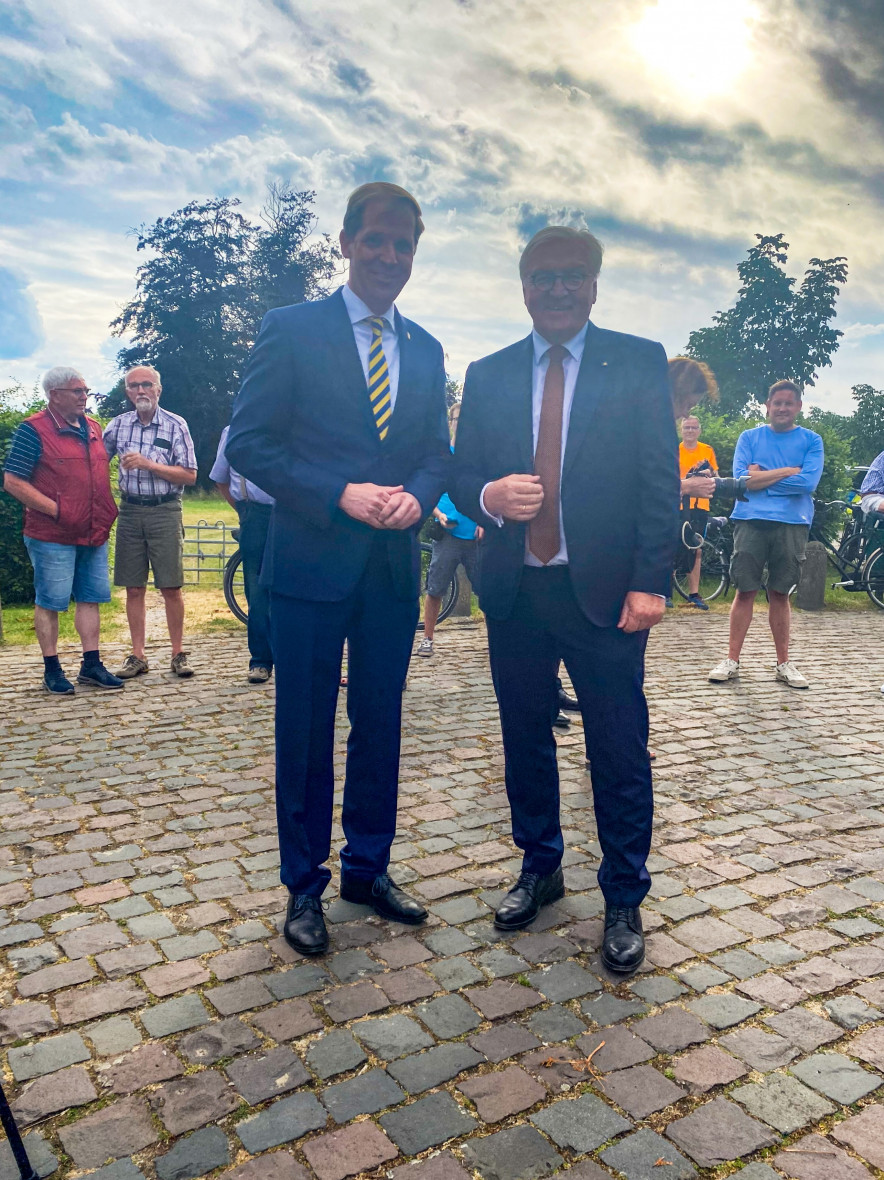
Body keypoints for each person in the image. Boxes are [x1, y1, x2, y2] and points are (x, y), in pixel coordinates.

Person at [226, 182, 450, 956]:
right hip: (310, 565)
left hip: (390, 568)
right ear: (348, 242)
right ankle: (303, 886)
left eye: (405, 245)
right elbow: (250, 443)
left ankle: (368, 867)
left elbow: (433, 453)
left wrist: (418, 499)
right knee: (305, 730)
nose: (391, 256)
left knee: (380, 726)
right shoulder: (291, 330)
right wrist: (338, 493)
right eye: (378, 240)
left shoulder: (425, 348)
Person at [453, 225, 679, 974]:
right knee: (525, 738)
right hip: (516, 590)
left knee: (618, 744)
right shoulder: (488, 375)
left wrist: (652, 580)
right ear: (523, 287)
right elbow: (460, 482)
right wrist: (487, 494)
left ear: (593, 285)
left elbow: (658, 479)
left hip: (609, 594)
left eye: (570, 276)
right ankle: (540, 867)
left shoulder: (638, 362)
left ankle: (623, 896)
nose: (556, 289)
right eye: (542, 277)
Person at [2, 367, 123, 693]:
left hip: (93, 531)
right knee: (51, 601)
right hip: (51, 535)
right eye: (76, 391)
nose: (84, 396)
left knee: (90, 599)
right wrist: (57, 510)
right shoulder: (33, 430)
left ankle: (91, 665)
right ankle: (52, 669)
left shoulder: (95, 428)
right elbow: (12, 481)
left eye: (85, 390)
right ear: (54, 395)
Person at [708, 380, 824, 689]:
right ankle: (731, 660)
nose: (782, 408)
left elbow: (807, 483)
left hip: (792, 523)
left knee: (780, 592)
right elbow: (741, 482)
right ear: (767, 406)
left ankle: (783, 664)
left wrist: (761, 476)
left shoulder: (812, 440)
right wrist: (787, 471)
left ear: (799, 407)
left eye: (789, 403)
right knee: (744, 590)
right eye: (777, 403)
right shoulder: (749, 437)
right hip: (749, 520)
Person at [103, 366, 198, 680]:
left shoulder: (175, 425)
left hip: (165, 510)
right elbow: (94, 461)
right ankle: (138, 656)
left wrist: (149, 464)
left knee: (171, 586)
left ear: (159, 389)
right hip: (129, 511)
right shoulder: (118, 426)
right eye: (134, 386)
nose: (140, 391)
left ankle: (177, 654)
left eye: (147, 385)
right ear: (127, 392)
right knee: (133, 588)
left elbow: (190, 475)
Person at [416, 402, 482, 658]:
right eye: (456, 418)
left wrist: (484, 524)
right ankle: (428, 639)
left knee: (486, 591)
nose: (461, 422)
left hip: (476, 536)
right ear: (450, 422)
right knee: (435, 589)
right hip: (447, 536)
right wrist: (440, 515)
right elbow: (427, 492)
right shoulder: (442, 457)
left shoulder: (479, 457)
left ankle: (495, 641)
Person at [211, 425, 275, 684]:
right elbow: (220, 478)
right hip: (255, 514)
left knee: (295, 589)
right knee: (257, 591)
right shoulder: (234, 430)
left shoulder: (293, 424)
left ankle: (293, 657)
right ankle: (260, 661)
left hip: (293, 514)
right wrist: (243, 511)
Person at [678, 416, 719, 609]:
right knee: (670, 545)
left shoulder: (707, 450)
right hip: (677, 505)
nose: (690, 431)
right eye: (687, 427)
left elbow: (715, 476)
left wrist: (707, 473)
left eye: (694, 427)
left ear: (699, 430)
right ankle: (664, 593)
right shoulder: (674, 450)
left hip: (700, 506)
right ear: (681, 430)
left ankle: (693, 594)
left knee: (696, 547)